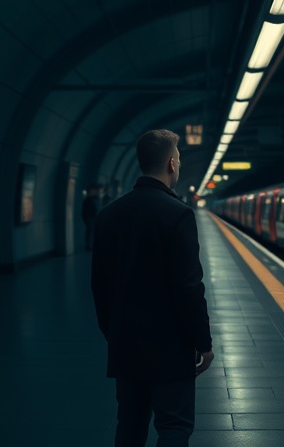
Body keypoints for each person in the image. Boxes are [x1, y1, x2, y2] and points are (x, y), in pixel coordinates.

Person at [91, 129, 214, 447]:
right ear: (172, 163)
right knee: (173, 426)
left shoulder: (107, 216)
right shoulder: (178, 215)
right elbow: (189, 287)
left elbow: (99, 286)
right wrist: (202, 342)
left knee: (130, 425)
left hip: (125, 343)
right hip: (170, 348)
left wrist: (114, 332)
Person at [81, 185, 100, 251]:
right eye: (93, 191)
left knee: (91, 232)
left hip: (92, 218)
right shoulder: (88, 200)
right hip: (90, 218)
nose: (94, 192)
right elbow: (85, 210)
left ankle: (90, 245)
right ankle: (89, 246)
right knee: (90, 232)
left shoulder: (92, 199)